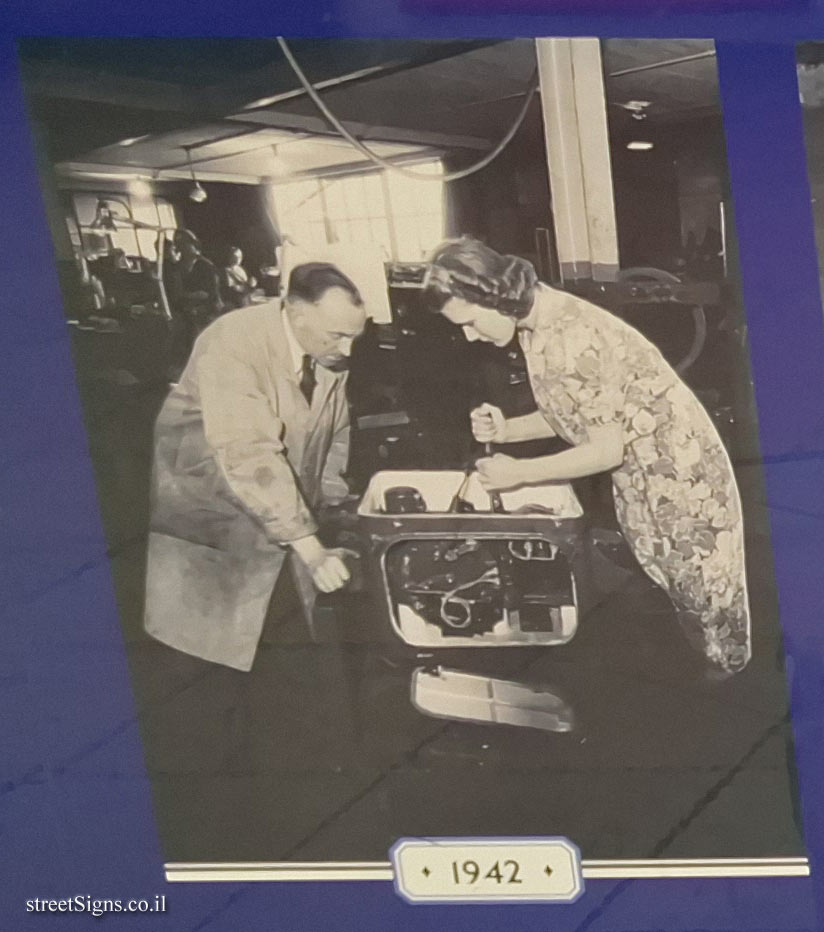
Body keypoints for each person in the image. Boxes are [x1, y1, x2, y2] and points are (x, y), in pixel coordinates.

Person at [424, 238, 751, 677]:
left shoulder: (569, 337)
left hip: (679, 469)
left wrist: (519, 473)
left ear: (492, 296)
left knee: (705, 591)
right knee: (675, 583)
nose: (468, 334)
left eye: (468, 321)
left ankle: (734, 689)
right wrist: (509, 429)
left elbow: (604, 449)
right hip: (644, 470)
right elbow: (573, 412)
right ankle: (711, 678)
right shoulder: (535, 323)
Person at [143, 261, 367, 671]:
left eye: (355, 335)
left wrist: (334, 503)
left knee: (278, 646)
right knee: (211, 656)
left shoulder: (327, 350)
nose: (348, 348)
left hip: (277, 507)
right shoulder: (232, 343)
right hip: (215, 507)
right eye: (338, 335)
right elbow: (248, 452)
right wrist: (313, 551)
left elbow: (333, 430)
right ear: (298, 314)